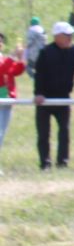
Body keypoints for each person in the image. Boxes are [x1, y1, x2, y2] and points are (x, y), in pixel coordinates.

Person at [32, 22, 74, 169]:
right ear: (57, 36)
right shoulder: (45, 52)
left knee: (64, 131)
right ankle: (45, 162)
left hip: (64, 98)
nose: (70, 38)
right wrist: (38, 94)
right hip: (45, 99)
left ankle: (62, 162)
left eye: (71, 35)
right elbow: (39, 75)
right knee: (43, 134)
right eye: (67, 35)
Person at [0, 31, 23, 169]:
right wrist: (12, 56)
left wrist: (20, 59)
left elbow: (15, 72)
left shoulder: (3, 58)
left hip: (7, 99)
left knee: (2, 133)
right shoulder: (5, 59)